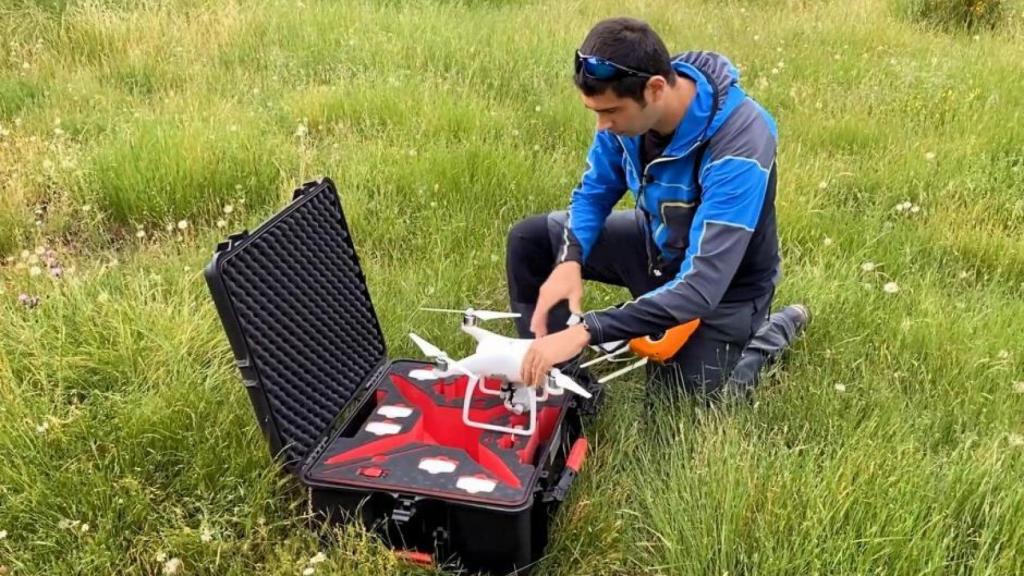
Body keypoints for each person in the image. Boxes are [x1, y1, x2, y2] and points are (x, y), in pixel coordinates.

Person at [507, 17, 809, 397]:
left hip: (723, 290)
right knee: (531, 240)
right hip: (657, 248)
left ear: (655, 89)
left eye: (611, 111)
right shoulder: (628, 111)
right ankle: (559, 388)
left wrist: (588, 329)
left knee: (673, 418)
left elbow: (702, 287)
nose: (602, 126)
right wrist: (570, 258)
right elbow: (594, 192)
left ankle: (771, 332)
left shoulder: (741, 141)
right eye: (595, 112)